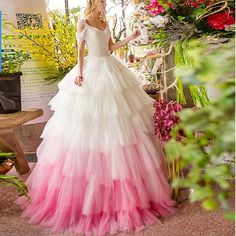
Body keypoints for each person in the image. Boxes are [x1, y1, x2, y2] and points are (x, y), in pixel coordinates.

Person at [16, 0, 177, 235]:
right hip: (92, 71)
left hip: (111, 69)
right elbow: (81, 51)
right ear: (94, 2)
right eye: (102, 1)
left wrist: (131, 38)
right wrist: (80, 74)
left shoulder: (104, 21)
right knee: (91, 121)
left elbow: (110, 48)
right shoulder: (83, 22)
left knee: (120, 121)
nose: (105, 5)